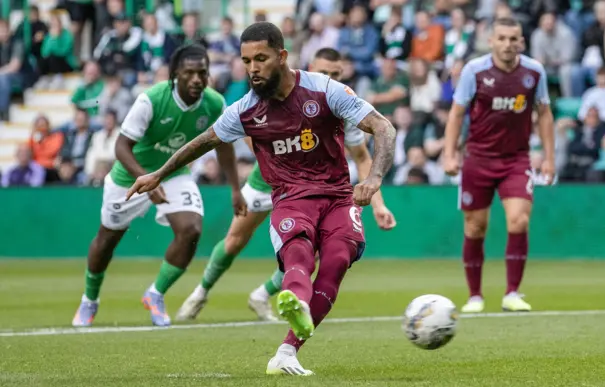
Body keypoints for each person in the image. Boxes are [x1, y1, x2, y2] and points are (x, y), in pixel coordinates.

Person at [126, 22, 396, 376]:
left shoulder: (325, 89)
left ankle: (286, 351)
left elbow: (384, 127)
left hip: (337, 196)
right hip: (290, 198)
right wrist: (158, 174)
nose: (252, 68)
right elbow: (204, 142)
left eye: (261, 59)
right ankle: (296, 301)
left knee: (336, 261)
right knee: (297, 251)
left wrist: (374, 179)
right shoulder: (244, 110)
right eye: (246, 60)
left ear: (282, 56)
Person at [175, 47, 397, 323]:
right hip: (268, 181)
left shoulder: (342, 103)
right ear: (308, 66)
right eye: (324, 71)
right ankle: (201, 291)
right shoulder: (275, 94)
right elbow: (251, 132)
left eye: (335, 73)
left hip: (315, 188)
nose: (329, 76)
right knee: (235, 239)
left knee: (308, 251)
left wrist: (379, 204)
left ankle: (262, 294)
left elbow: (362, 156)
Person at [72, 44, 246, 328]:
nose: (196, 79)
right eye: (189, 73)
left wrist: (235, 188)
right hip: (129, 177)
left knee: (191, 230)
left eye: (202, 73)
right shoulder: (150, 100)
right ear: (175, 73)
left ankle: (156, 294)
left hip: (173, 174)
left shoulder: (214, 103)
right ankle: (89, 300)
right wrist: (147, 179)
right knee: (106, 240)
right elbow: (121, 146)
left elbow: (224, 147)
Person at [442, 17, 555, 314]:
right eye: (502, 38)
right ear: (491, 41)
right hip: (478, 159)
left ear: (521, 41)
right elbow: (456, 114)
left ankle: (513, 293)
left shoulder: (534, 71)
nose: (507, 44)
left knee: (519, 220)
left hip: (517, 159)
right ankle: (475, 296)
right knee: (475, 226)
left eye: (513, 39)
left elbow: (544, 114)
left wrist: (549, 157)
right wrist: (449, 154)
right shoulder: (474, 71)